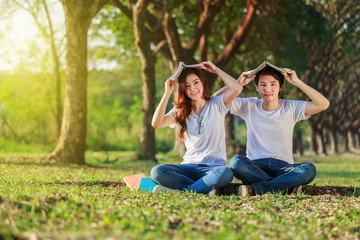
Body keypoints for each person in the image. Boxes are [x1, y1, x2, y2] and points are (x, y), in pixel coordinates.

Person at [216, 66, 330, 196]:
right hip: (255, 166)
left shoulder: (291, 107)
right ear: (257, 87)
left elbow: (323, 104)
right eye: (263, 84)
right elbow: (215, 100)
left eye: (273, 84)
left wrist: (297, 82)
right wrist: (238, 83)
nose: (267, 89)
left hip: (283, 168)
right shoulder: (249, 105)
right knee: (236, 162)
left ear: (280, 87)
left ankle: (255, 189)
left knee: (309, 169)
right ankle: (284, 187)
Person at [150, 61, 245, 195]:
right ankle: (204, 189)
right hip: (188, 168)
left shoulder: (216, 104)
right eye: (187, 86)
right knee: (157, 172)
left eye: (196, 82)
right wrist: (167, 92)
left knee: (226, 173)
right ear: (183, 89)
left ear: (202, 82)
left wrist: (216, 70)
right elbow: (156, 123)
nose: (192, 88)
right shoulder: (180, 111)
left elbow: (237, 88)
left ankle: (181, 191)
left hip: (213, 169)